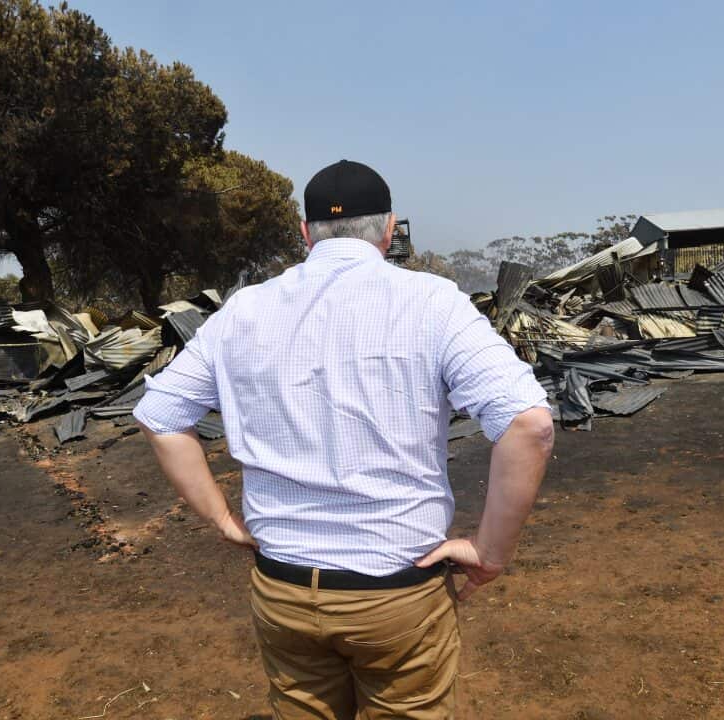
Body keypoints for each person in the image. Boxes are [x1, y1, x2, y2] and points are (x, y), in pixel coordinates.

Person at [134, 159, 553, 719]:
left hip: (282, 590)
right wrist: (489, 552)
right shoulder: (433, 302)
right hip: (397, 594)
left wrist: (221, 519)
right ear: (389, 228)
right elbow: (528, 423)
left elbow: (160, 413)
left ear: (305, 234)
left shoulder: (245, 310)